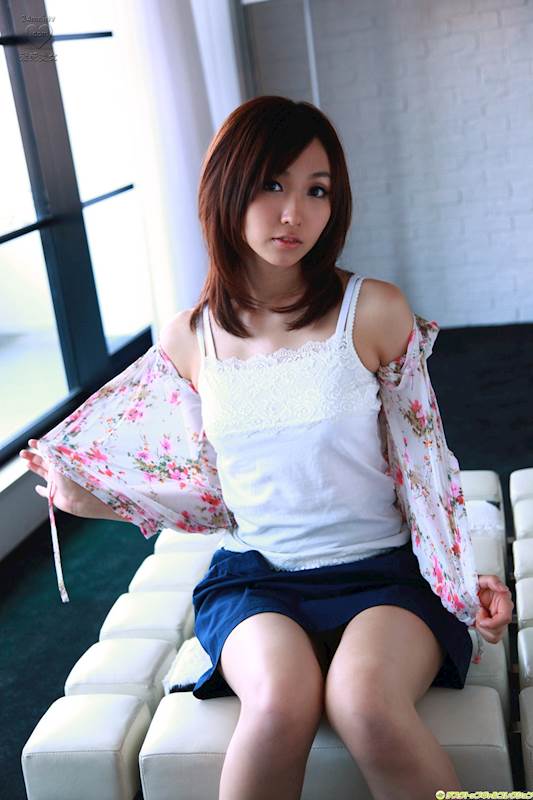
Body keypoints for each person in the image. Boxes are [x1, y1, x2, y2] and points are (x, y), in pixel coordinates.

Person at [20, 96, 513, 800]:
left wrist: (463, 579)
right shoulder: (189, 338)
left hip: (384, 574)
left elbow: (423, 465)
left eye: (317, 190)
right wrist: (85, 498)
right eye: (272, 184)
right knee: (279, 703)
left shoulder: (374, 310)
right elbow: (212, 493)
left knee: (366, 706)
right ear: (227, 188)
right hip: (258, 577)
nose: (294, 213)